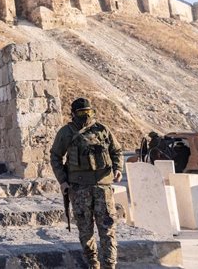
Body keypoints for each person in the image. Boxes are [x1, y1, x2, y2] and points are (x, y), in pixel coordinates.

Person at [50, 98, 123, 269]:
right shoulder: (66, 133)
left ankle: (110, 265)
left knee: (108, 229)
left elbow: (116, 151)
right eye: (82, 113)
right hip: (79, 189)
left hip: (103, 188)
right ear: (73, 114)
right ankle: (93, 264)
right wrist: (63, 181)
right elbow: (55, 157)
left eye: (88, 113)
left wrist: (118, 168)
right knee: (85, 230)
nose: (86, 116)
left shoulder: (102, 130)